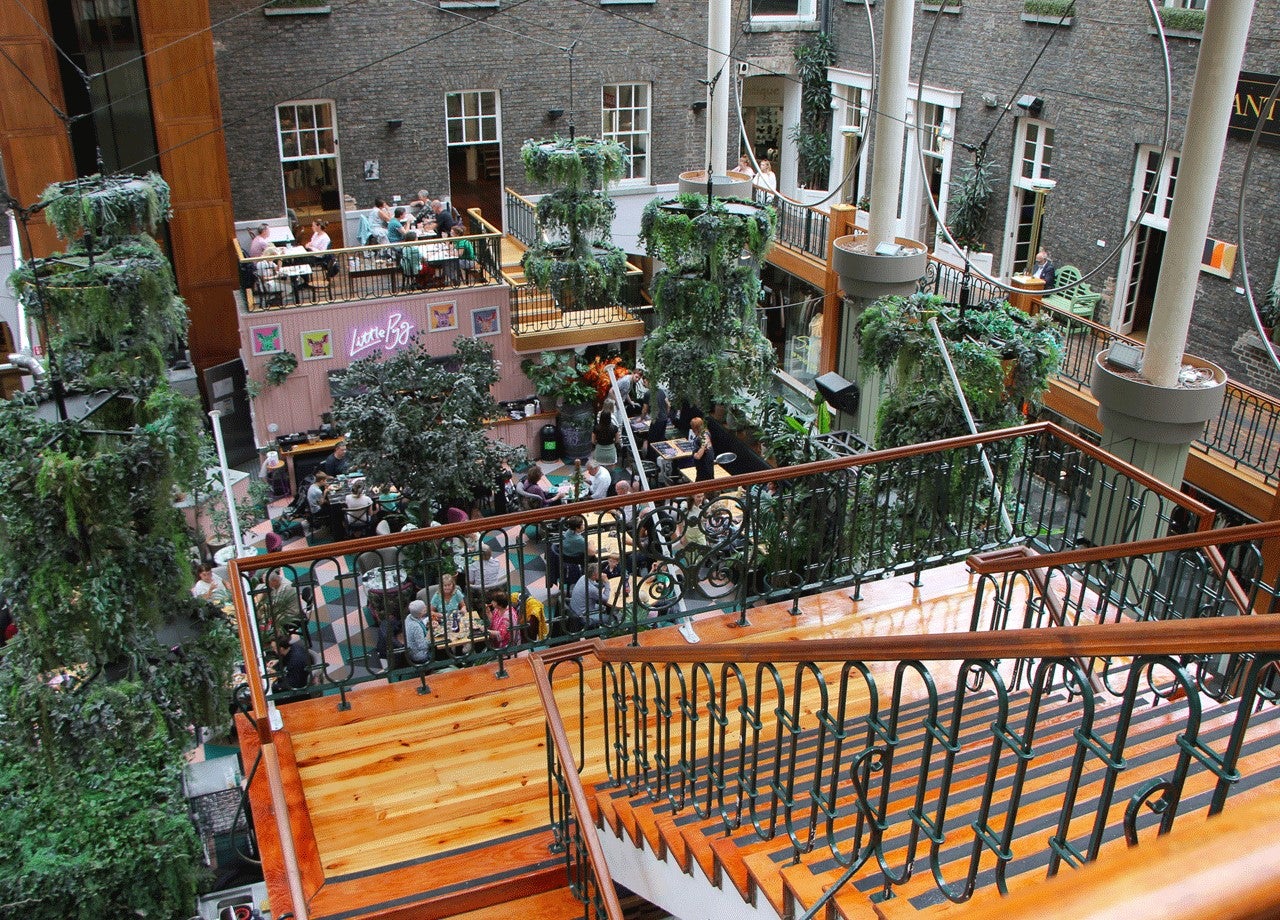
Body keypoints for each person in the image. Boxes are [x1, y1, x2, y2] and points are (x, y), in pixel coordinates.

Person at [568, 563, 612, 629]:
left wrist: (603, 584)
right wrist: (607, 582)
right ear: (594, 575)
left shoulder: (583, 577)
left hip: (576, 609)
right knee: (611, 619)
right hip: (584, 615)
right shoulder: (591, 589)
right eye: (599, 572)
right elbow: (605, 599)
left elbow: (594, 584)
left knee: (603, 607)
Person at [403, 599, 433, 665]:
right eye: (424, 609)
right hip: (420, 655)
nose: (426, 607)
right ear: (420, 613)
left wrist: (427, 626)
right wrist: (430, 632)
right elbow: (423, 646)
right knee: (441, 650)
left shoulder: (409, 617)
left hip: (412, 651)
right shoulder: (415, 627)